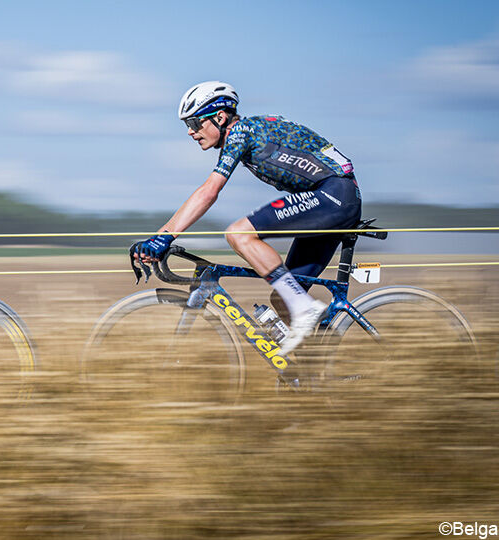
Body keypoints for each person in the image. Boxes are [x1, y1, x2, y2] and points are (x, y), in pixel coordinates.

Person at [136, 81, 361, 354]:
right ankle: (315, 373)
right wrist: (160, 236)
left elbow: (209, 191)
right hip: (332, 199)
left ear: (219, 117)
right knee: (284, 298)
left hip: (334, 195)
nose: (190, 132)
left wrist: (163, 237)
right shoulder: (245, 133)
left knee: (239, 234)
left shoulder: (241, 131)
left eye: (195, 123)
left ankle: (305, 309)